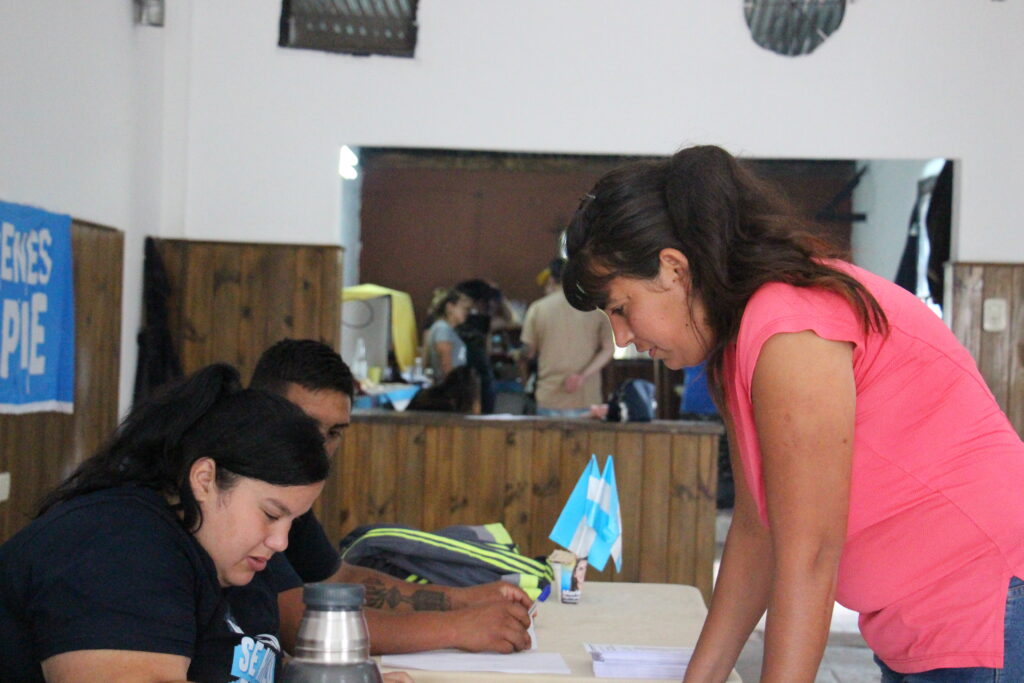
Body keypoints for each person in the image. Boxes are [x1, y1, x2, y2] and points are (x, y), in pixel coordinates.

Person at [561, 145, 1024, 682]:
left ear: (674, 269)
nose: (622, 336)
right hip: (922, 623)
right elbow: (757, 529)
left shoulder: (790, 326)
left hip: (986, 604)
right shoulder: (737, 342)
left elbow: (809, 556)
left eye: (621, 308)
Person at [0, 364, 329, 682]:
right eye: (271, 514)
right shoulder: (116, 546)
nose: (280, 542)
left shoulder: (235, 559)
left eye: (293, 522)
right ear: (204, 479)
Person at [243, 339, 533, 655]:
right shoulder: (242, 486)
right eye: (307, 428)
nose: (321, 448)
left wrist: (464, 599)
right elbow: (297, 623)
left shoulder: (289, 494)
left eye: (334, 433)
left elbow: (339, 579)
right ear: (261, 414)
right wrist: (459, 626)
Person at [520, 257, 614, 417]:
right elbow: (609, 349)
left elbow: (528, 352)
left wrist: (518, 358)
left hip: (549, 397)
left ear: (551, 280)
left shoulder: (537, 309)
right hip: (586, 397)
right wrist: (582, 376)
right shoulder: (595, 308)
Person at [423, 288, 473, 382]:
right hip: (450, 387)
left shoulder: (447, 329)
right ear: (450, 307)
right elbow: (445, 364)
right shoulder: (443, 329)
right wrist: (454, 386)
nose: (466, 312)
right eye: (463, 308)